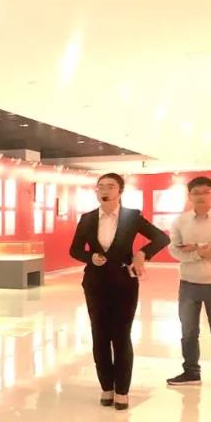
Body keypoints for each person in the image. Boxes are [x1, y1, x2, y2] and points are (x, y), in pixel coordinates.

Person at [69, 173, 169, 410]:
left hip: (124, 283)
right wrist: (90, 257)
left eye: (110, 186)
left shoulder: (131, 217)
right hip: (95, 284)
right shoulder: (88, 218)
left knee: (121, 336)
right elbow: (75, 250)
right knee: (100, 336)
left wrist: (142, 254)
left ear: (120, 191)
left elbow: (161, 238)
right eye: (100, 186)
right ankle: (107, 387)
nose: (105, 190)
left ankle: (122, 390)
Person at [166, 176, 211, 389]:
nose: (201, 196)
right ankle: (191, 372)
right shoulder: (180, 221)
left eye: (205, 191)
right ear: (189, 196)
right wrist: (201, 252)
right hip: (188, 284)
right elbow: (175, 250)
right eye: (196, 192)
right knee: (188, 332)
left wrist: (196, 246)